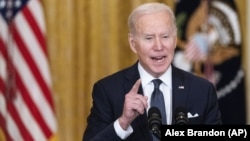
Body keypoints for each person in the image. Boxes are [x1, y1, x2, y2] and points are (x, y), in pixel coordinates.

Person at [82, 2, 221, 141]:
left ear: (175, 39)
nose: (159, 46)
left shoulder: (202, 90)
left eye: (165, 36)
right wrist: (123, 123)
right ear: (133, 43)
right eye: (149, 38)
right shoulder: (108, 91)